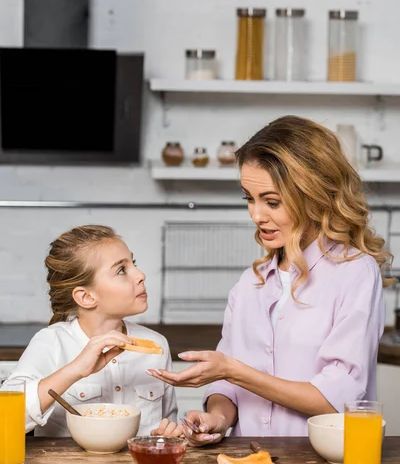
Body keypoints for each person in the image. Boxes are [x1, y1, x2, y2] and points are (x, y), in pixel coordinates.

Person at [148, 115, 394, 446]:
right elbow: (227, 388)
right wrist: (217, 418)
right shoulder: (250, 284)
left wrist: (232, 370)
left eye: (272, 201)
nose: (256, 215)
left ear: (314, 196)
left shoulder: (355, 273)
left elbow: (335, 399)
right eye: (249, 198)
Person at [2, 225, 178, 436]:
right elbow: (5, 418)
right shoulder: (51, 342)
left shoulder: (157, 345)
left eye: (134, 264)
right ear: (86, 297)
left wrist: (166, 435)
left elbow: (168, 425)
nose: (141, 275)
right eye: (122, 270)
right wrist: (76, 369)